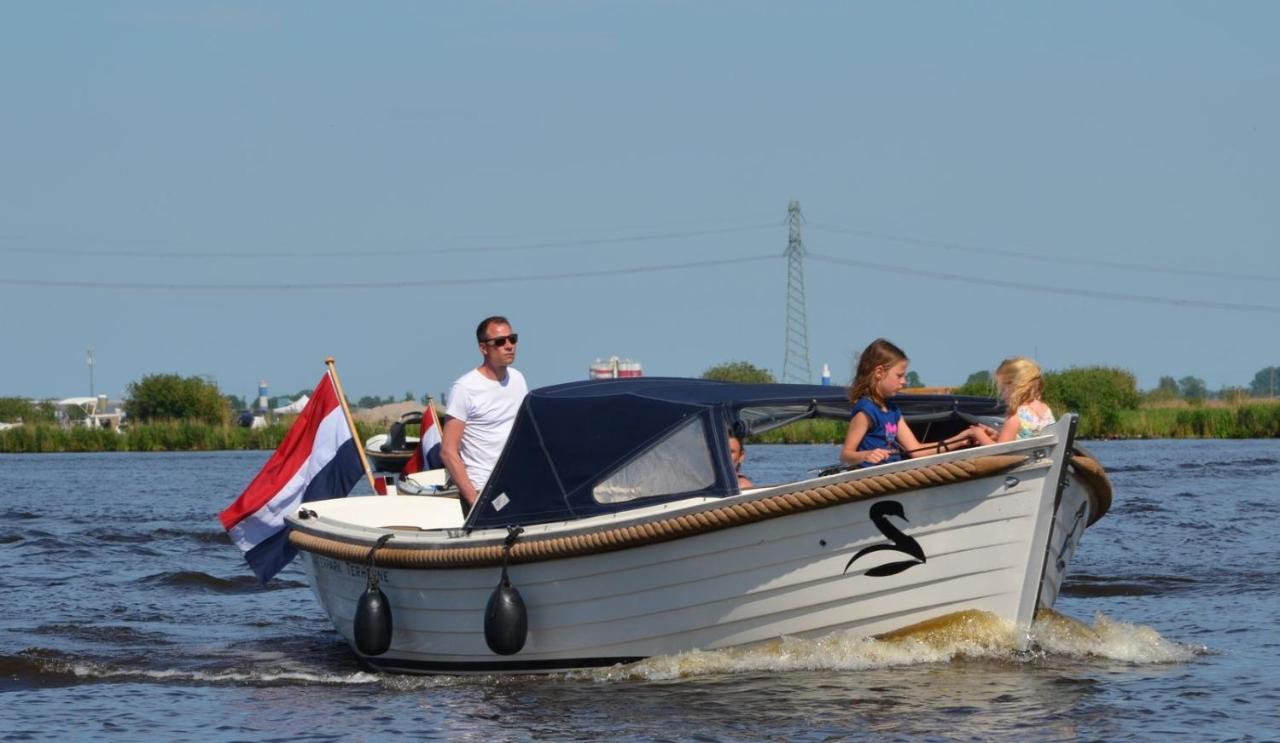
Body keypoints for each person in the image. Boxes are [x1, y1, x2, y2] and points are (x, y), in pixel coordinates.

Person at [840, 338, 980, 467]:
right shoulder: (866, 411)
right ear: (879, 372)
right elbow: (846, 455)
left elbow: (916, 451)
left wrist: (959, 440)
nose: (904, 381)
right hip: (874, 479)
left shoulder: (893, 411)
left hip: (893, 474)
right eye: (899, 376)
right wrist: (866, 455)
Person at [440, 316, 529, 511]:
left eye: (512, 339)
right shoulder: (465, 388)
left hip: (516, 485)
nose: (509, 346)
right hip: (483, 488)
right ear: (483, 348)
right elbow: (448, 451)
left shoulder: (518, 379)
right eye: (500, 341)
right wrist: (474, 500)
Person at [971, 357, 1056, 445]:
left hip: (1026, 459)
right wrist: (998, 435)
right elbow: (1027, 437)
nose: (1002, 395)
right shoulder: (1045, 409)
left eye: (1003, 389)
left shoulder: (1015, 417)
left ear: (1014, 386)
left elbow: (1000, 452)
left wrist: (979, 434)